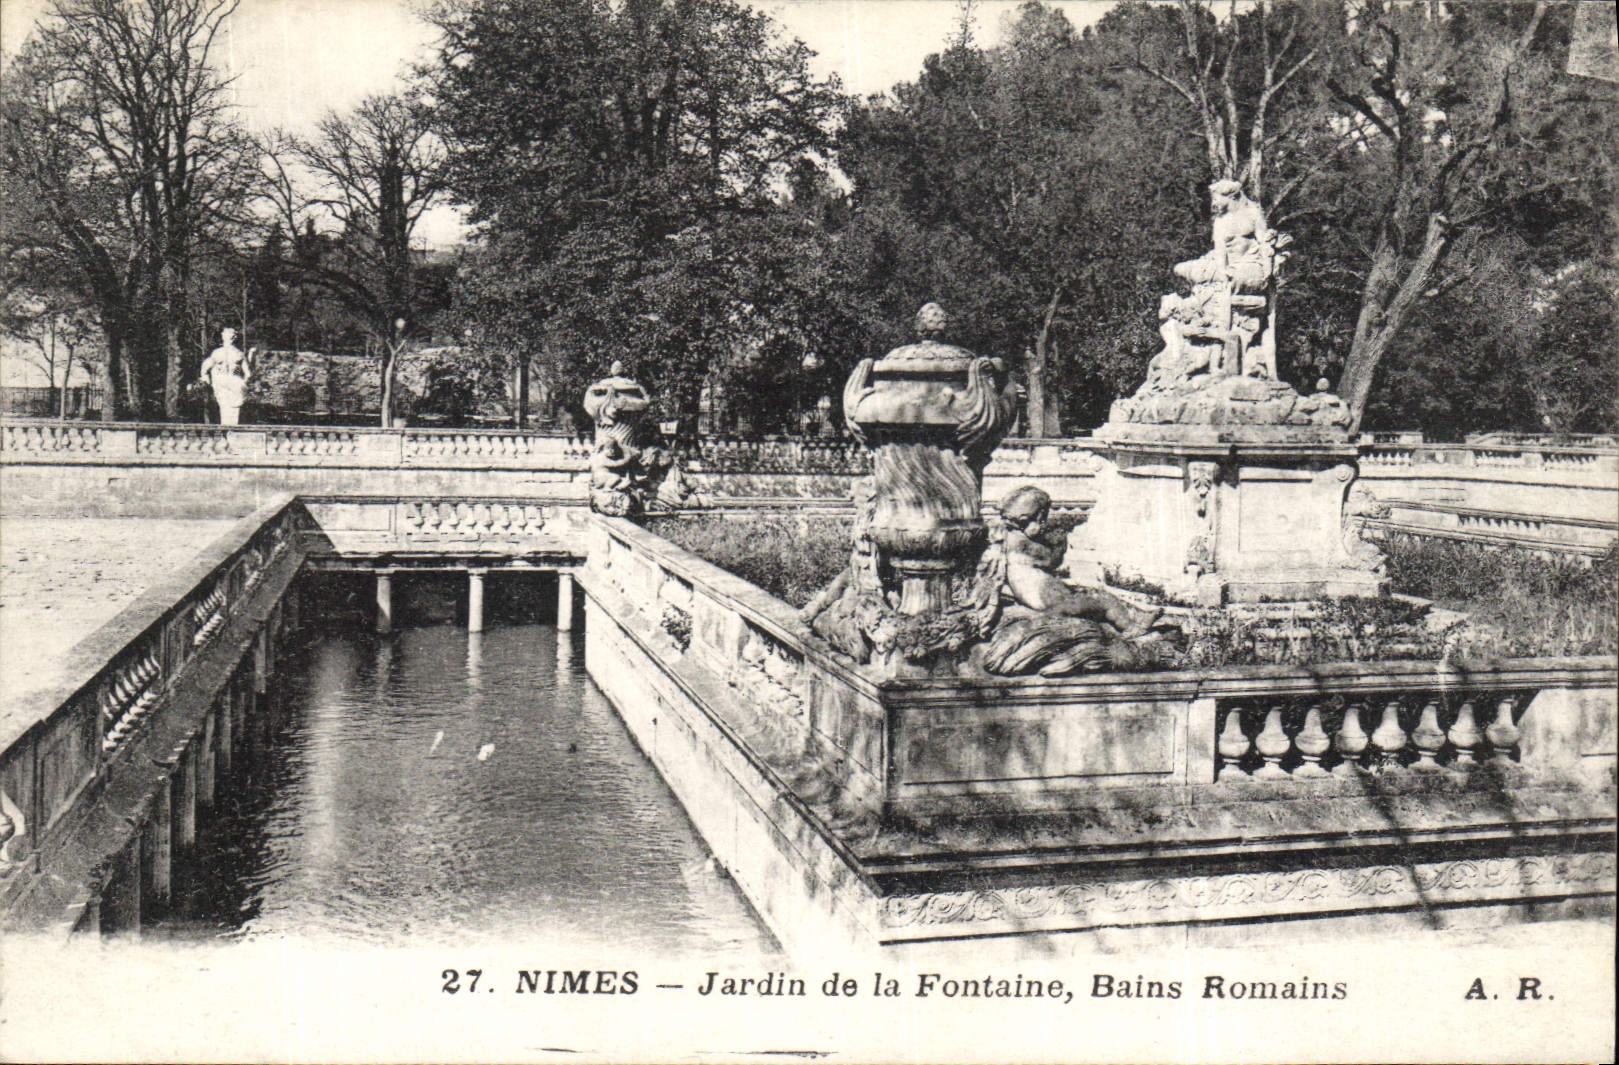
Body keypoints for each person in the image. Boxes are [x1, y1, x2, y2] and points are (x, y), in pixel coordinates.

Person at [998, 486, 1161, 638]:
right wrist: (1059, 544)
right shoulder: (1025, 544)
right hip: (1056, 602)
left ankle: (1136, 616)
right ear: (1035, 516)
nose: (1042, 525)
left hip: (1047, 599)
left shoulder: (1010, 539)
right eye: (1041, 519)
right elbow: (1052, 561)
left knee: (1092, 595)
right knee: (1103, 600)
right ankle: (1131, 627)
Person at [200, 327, 252, 426]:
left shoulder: (237, 354)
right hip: (224, 382)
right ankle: (228, 430)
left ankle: (230, 431)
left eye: (229, 335)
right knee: (226, 407)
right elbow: (206, 367)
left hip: (232, 382)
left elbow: (247, 373)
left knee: (231, 408)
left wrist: (243, 382)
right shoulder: (220, 353)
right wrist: (205, 377)